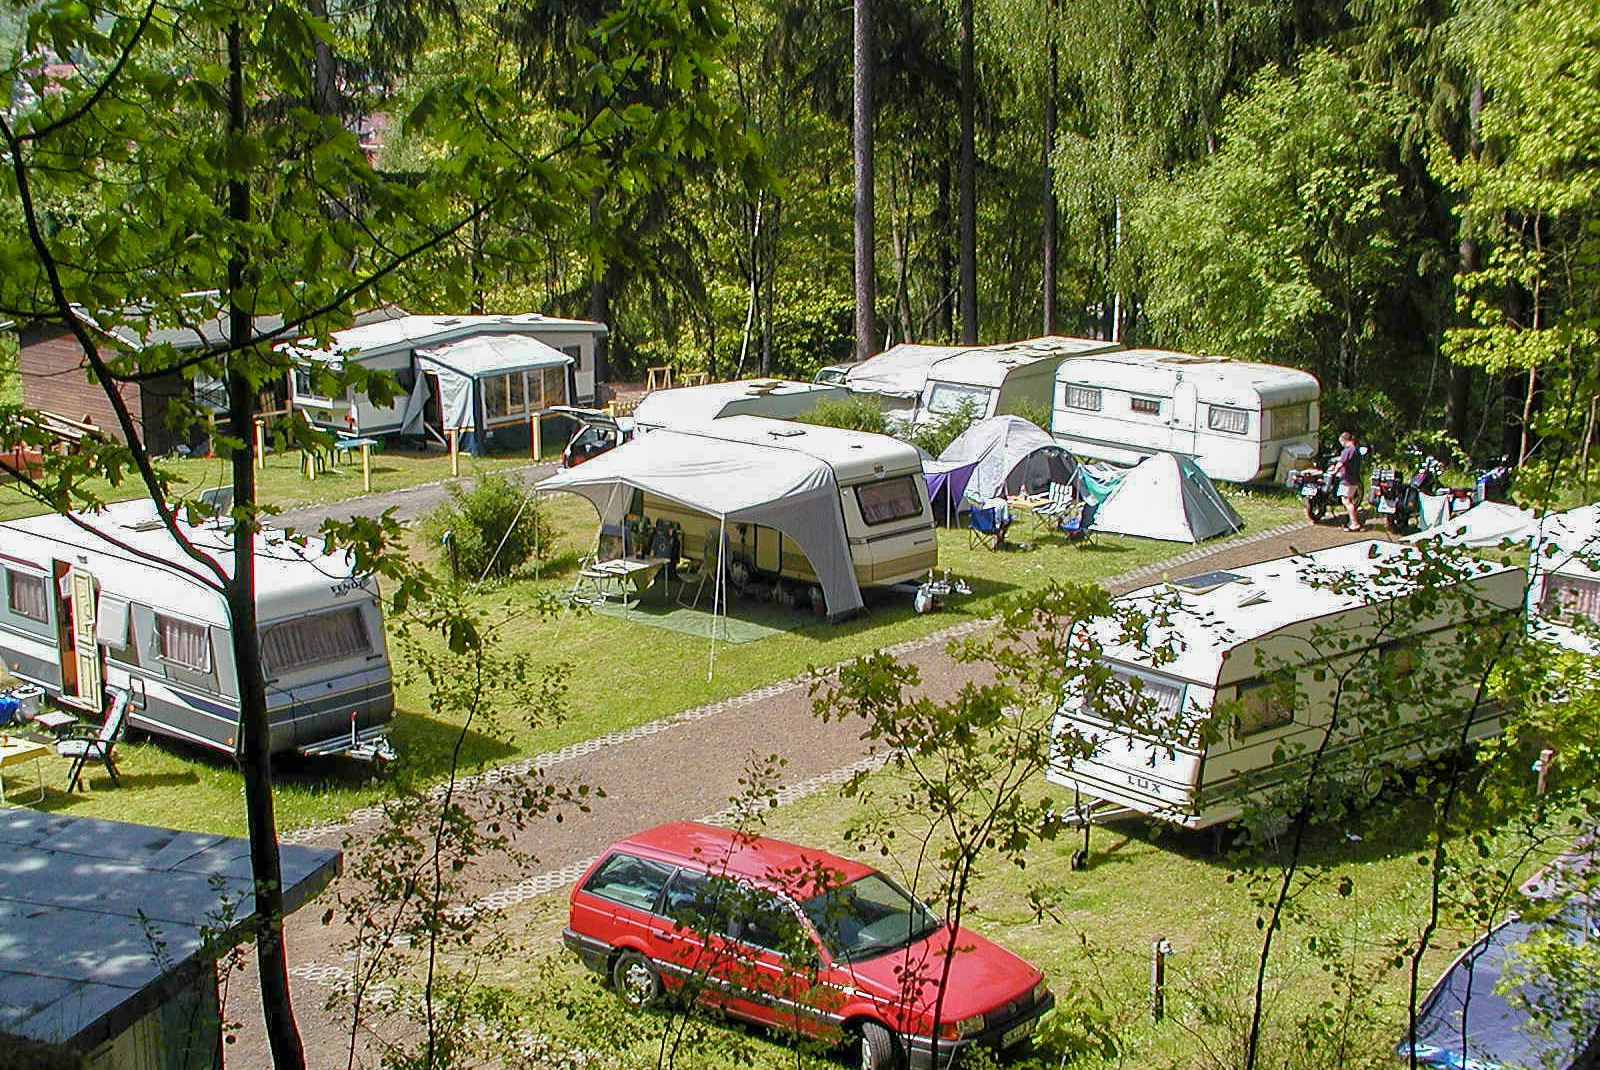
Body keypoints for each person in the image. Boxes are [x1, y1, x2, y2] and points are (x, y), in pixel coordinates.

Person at [1332, 430, 1364, 532]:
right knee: (1348, 500)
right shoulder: (1356, 450)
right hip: (1354, 478)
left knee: (1347, 501)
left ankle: (1355, 523)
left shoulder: (1348, 450)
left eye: (1341, 442)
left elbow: (1340, 463)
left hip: (1347, 480)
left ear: (1344, 440)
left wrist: (1333, 472)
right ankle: (1352, 522)